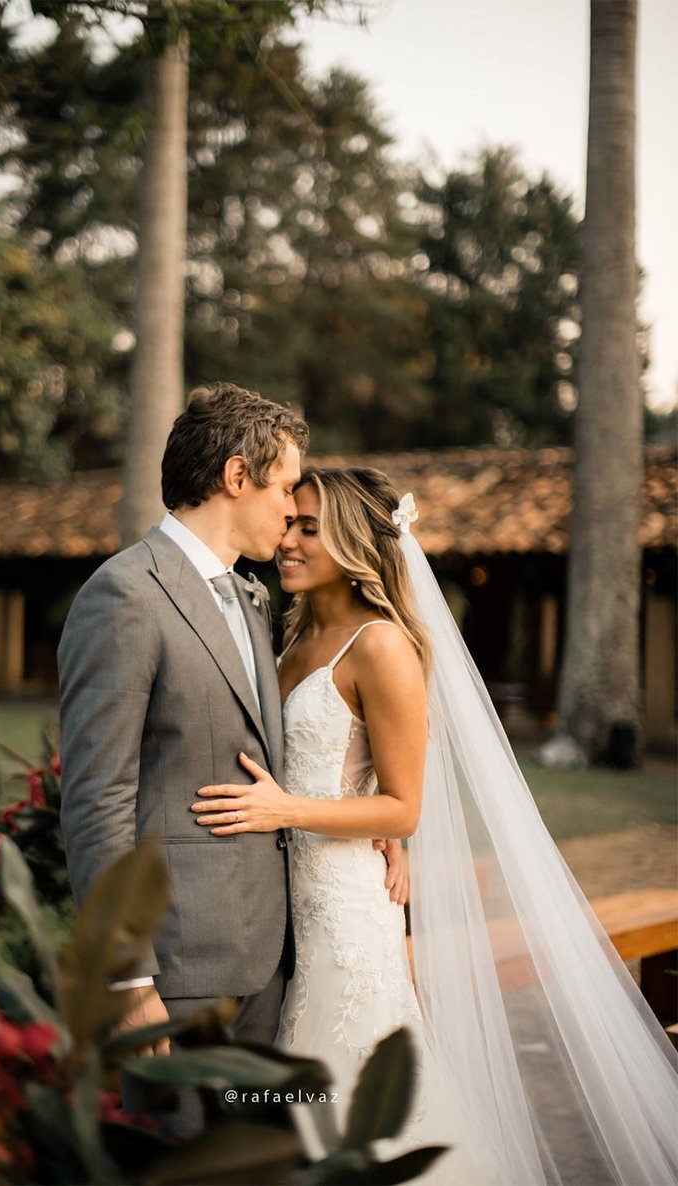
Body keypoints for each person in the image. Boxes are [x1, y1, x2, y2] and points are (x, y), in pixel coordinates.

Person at [194, 467, 678, 1182]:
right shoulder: (292, 635)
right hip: (280, 912)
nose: (287, 542)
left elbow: (404, 806)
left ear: (357, 542)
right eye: (288, 524)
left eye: (308, 529)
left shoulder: (380, 645)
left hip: (345, 915)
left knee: (346, 1088)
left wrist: (286, 811)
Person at [59, 382, 311, 1046]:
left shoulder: (253, 600)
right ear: (236, 476)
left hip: (271, 959)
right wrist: (128, 981)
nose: (292, 509)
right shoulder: (124, 595)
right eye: (285, 488)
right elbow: (96, 797)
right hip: (179, 971)